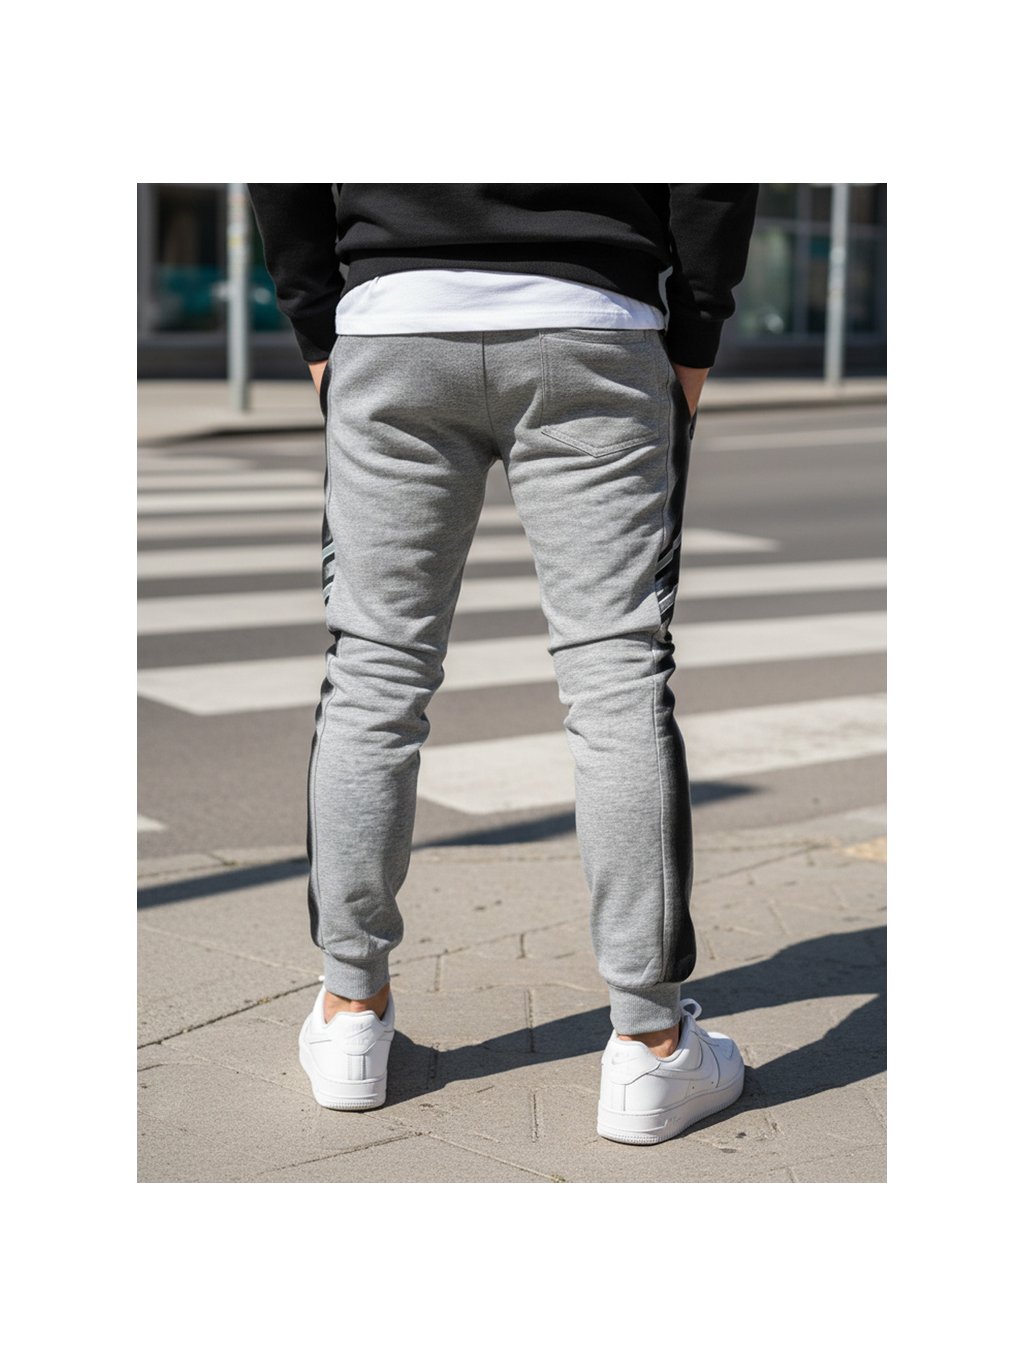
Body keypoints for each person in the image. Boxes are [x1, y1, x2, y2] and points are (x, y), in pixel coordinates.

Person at [247, 183, 759, 1145]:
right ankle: (650, 1047)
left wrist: (319, 321)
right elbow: (714, 176)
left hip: (395, 318)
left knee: (375, 672)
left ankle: (352, 1013)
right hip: (593, 319)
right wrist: (693, 335)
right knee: (615, 672)